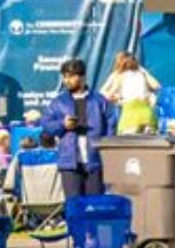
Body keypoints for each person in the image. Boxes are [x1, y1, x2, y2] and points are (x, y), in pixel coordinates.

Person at [43, 58, 117, 198]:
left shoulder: (99, 101)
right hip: (69, 163)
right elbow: (46, 126)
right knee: (74, 205)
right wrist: (63, 124)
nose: (66, 80)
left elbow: (111, 126)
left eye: (71, 76)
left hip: (95, 161)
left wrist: (105, 151)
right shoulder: (58, 103)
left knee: (94, 205)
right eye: (64, 76)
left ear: (82, 77)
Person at [100, 52, 160, 134]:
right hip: (145, 115)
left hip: (131, 117)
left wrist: (115, 97)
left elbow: (102, 92)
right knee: (148, 140)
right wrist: (143, 70)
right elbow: (157, 86)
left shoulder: (120, 75)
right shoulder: (139, 74)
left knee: (129, 140)